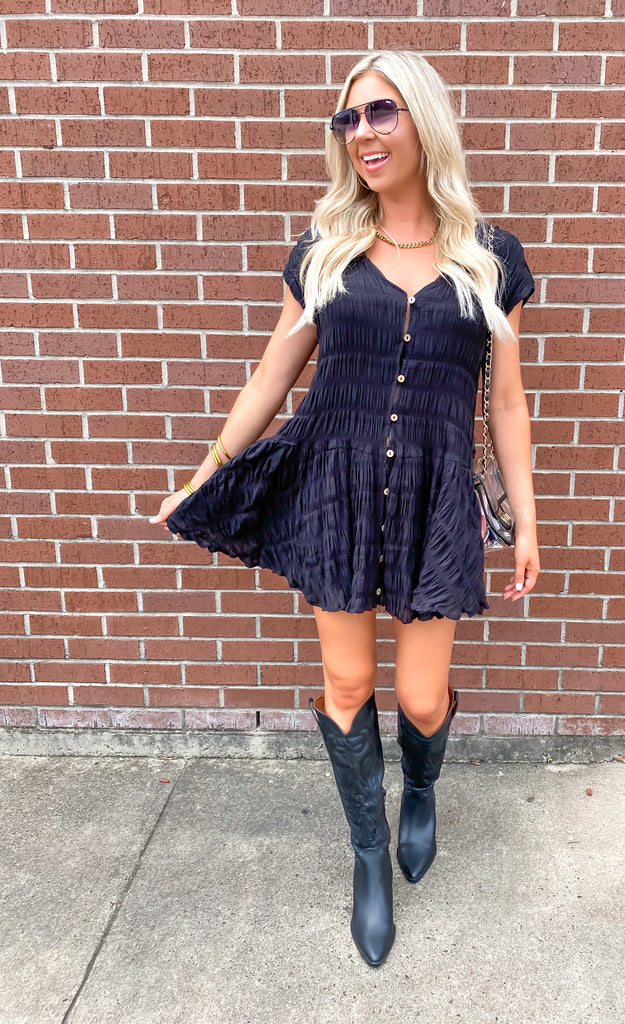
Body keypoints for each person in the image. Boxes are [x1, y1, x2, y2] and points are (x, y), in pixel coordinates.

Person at [150, 50, 539, 968]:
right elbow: (271, 376)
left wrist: (528, 519)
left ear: (424, 121)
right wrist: (205, 473)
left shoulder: (491, 258)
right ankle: (368, 855)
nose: (361, 132)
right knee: (351, 684)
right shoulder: (323, 252)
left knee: (420, 694)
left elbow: (507, 402)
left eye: (381, 112)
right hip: (339, 491)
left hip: (436, 498)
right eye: (348, 118)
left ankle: (421, 790)